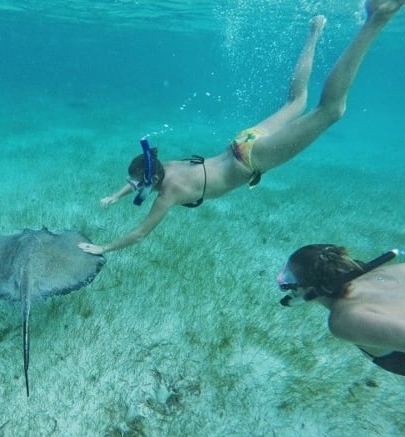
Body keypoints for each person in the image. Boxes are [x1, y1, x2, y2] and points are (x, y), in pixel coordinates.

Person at [78, 0, 405, 255]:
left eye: (136, 186)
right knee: (297, 101)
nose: (136, 190)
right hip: (242, 142)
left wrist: (104, 247)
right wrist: (113, 196)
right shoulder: (165, 168)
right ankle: (315, 31)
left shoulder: (170, 193)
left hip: (251, 159)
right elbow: (141, 177)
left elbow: (140, 233)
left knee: (331, 110)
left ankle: (378, 18)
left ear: (151, 181)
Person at [277, 244, 405, 375]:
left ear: (310, 290)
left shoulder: (343, 319)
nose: (287, 286)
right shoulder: (385, 272)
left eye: (289, 280)